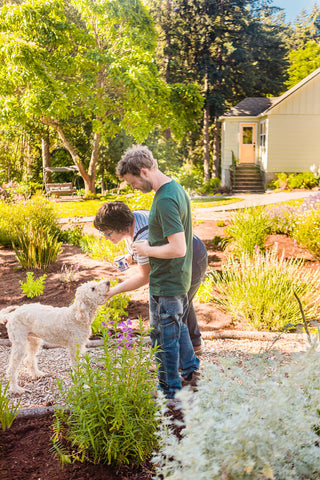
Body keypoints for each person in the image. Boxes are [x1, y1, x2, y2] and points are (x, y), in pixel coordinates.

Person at [114, 144, 200, 399]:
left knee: (164, 340)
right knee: (178, 327)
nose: (133, 188)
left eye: (132, 182)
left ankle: (169, 392)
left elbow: (178, 248)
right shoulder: (175, 188)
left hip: (168, 281)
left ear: (143, 171)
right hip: (177, 278)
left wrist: (147, 249)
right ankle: (192, 372)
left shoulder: (164, 200)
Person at [93, 201, 208, 353]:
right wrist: (130, 255)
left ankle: (177, 362)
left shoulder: (143, 234)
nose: (106, 237)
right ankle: (195, 344)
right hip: (187, 253)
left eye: (108, 233)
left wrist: (113, 291)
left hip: (192, 259)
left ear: (119, 227)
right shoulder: (132, 219)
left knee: (175, 310)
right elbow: (138, 241)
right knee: (184, 300)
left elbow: (144, 277)